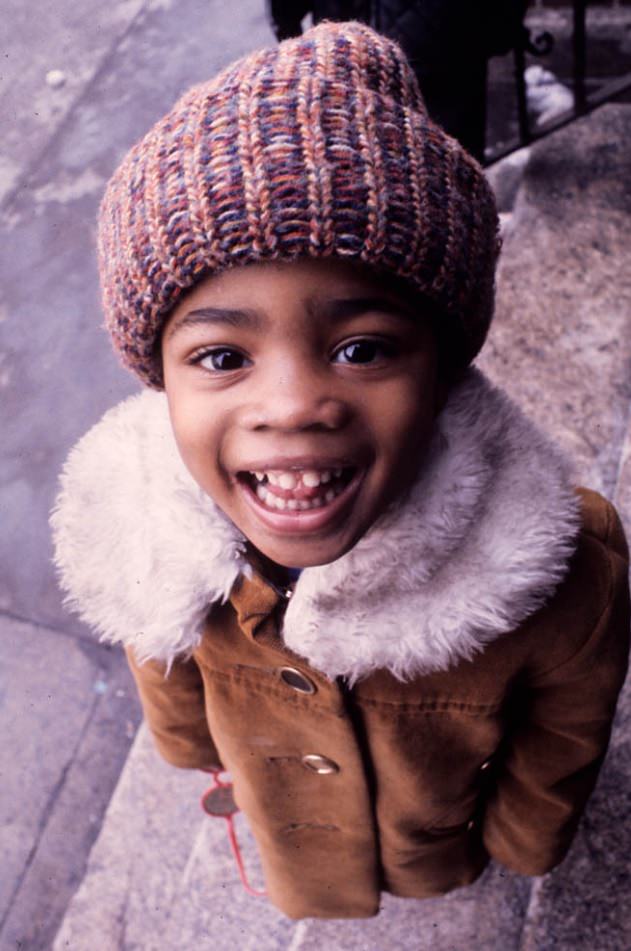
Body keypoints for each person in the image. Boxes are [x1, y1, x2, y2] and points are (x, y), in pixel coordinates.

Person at [50, 21, 629, 920]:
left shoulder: (560, 566)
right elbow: (164, 668)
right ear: (157, 376)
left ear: (441, 368)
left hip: (436, 843)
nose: (290, 404)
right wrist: (191, 748)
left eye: (362, 348)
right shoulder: (147, 531)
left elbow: (562, 732)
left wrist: (521, 838)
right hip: (288, 833)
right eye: (219, 356)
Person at [267, 0, 529, 160]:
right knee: (445, 175)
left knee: (358, 177)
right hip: (443, 49)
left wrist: (292, 34)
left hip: (352, 56)